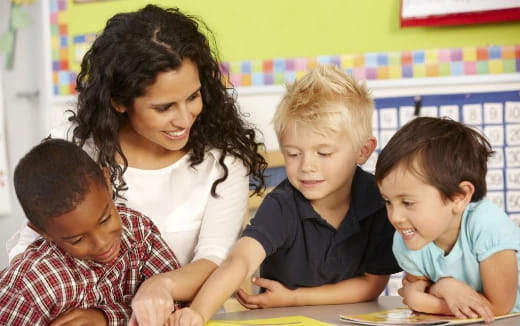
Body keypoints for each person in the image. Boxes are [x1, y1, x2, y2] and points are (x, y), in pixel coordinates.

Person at [6, 3, 267, 319]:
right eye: (163, 108)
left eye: (193, 97)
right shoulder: (73, 148)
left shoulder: (222, 162)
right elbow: (30, 252)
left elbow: (217, 261)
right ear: (118, 101)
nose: (185, 119)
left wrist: (161, 285)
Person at [167, 64, 401, 326]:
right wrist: (197, 313)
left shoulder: (380, 202)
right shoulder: (283, 205)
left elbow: (371, 286)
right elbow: (241, 260)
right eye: (293, 153)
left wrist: (295, 297)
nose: (307, 166)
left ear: (363, 151)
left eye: (323, 153)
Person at [0, 139, 180, 325]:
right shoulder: (34, 286)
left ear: (107, 182)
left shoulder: (140, 232)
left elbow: (176, 306)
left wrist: (106, 317)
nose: (102, 243)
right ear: (43, 233)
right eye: (77, 240)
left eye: (105, 219)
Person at [375, 117, 520, 323]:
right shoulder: (406, 239)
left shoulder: (486, 224)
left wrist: (439, 290)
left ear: (458, 197)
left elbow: (498, 308)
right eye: (388, 202)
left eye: (407, 202)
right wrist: (442, 288)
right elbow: (417, 292)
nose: (395, 217)